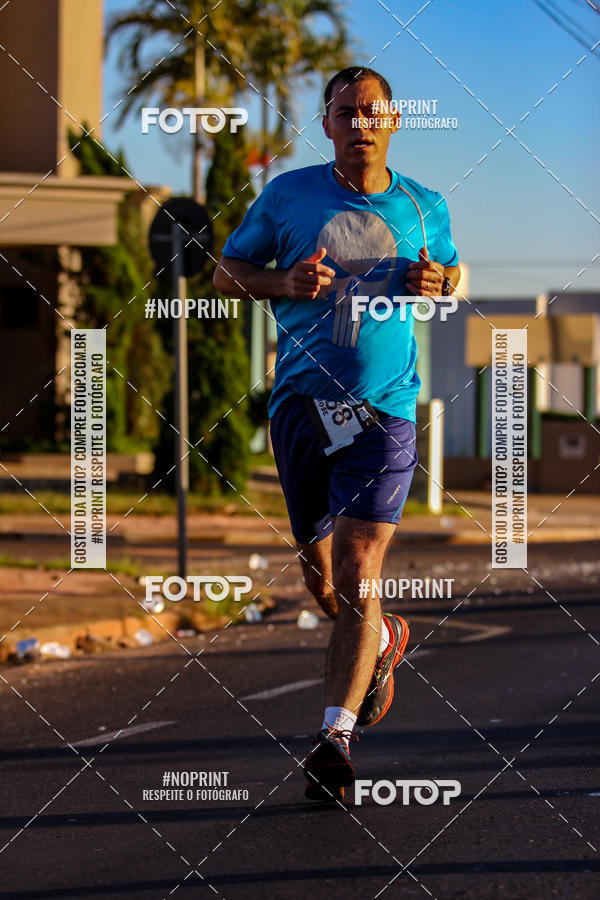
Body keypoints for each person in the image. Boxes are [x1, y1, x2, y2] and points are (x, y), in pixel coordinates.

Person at [214, 66, 460, 801]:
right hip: (301, 407)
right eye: (347, 113)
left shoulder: (425, 203)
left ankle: (335, 735)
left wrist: (439, 284)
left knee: (359, 572)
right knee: (325, 585)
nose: (361, 124)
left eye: (373, 112)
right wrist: (281, 282)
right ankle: (382, 639)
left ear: (393, 122)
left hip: (385, 411)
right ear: (327, 125)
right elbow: (227, 272)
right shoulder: (289, 195)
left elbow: (451, 272)